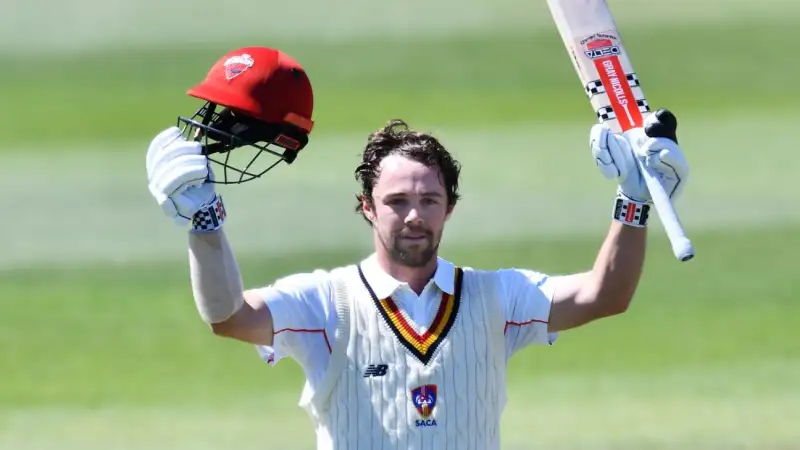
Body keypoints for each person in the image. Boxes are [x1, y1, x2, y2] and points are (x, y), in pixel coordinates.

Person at [145, 46, 690, 449]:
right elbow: (229, 317)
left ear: (450, 207)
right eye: (397, 200)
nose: (414, 216)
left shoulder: (497, 297)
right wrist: (204, 225)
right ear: (367, 207)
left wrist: (633, 200)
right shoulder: (324, 302)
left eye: (429, 200)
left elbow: (606, 294)